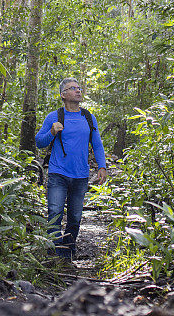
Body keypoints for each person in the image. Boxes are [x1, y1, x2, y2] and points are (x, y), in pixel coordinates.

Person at [36, 77, 107, 261]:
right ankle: (54, 255)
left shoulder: (88, 117)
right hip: (58, 173)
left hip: (81, 175)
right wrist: (51, 132)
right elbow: (39, 141)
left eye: (79, 88)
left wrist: (102, 166)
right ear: (63, 95)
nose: (78, 91)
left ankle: (67, 254)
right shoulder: (54, 117)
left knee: (75, 217)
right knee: (55, 213)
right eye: (72, 88)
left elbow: (97, 145)